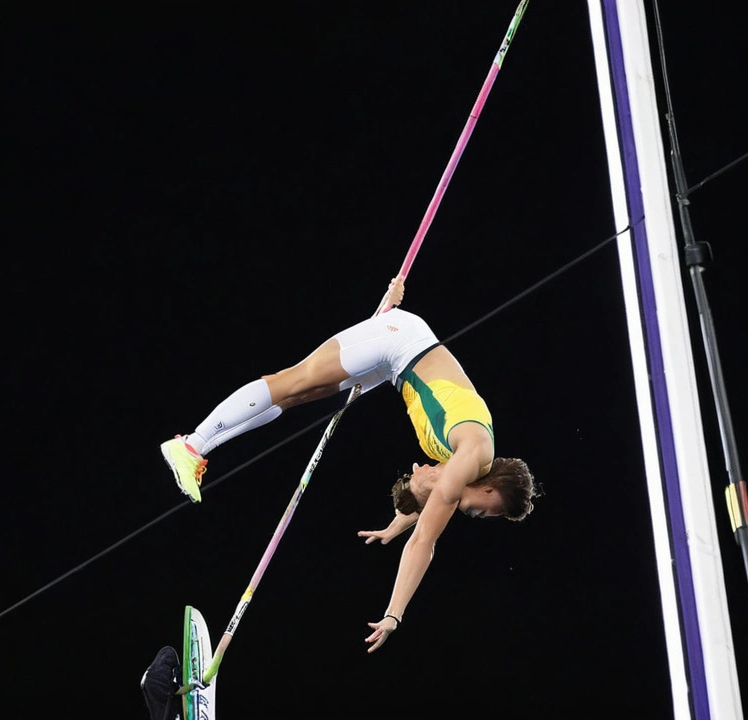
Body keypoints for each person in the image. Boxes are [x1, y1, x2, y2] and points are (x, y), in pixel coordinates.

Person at [160, 276, 538, 652]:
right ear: (491, 489)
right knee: (293, 380)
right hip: (400, 341)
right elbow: (426, 537)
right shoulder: (472, 454)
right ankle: (192, 444)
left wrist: (395, 525)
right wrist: (394, 614)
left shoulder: (463, 460)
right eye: (488, 514)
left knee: (301, 395)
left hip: (397, 363)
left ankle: (198, 448)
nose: (477, 515)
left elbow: (432, 502)